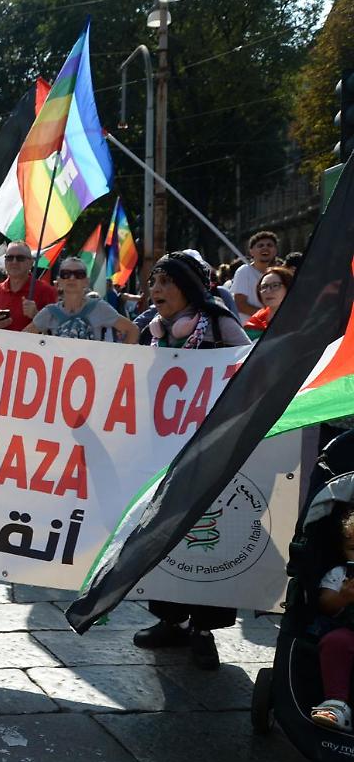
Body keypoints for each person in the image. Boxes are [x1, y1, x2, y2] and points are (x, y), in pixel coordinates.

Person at [132, 251, 251, 669]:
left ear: (187, 286)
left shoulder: (220, 323)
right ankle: (170, 619)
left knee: (208, 535)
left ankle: (204, 629)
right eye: (153, 283)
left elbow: (252, 370)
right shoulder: (153, 330)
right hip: (164, 449)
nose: (156, 290)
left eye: (165, 282)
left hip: (214, 446)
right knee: (162, 533)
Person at [26, 257, 139, 343]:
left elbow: (133, 330)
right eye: (66, 274)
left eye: (79, 274)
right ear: (59, 281)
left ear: (86, 281)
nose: (72, 278)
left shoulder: (99, 307)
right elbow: (22, 339)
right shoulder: (49, 312)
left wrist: (117, 361)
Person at [311, 509, 354, 731]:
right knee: (334, 642)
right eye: (353, 549)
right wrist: (343, 597)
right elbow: (325, 604)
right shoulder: (340, 574)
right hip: (348, 631)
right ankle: (336, 705)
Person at [0, 241, 57, 331]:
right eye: (10, 258)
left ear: (31, 263)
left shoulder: (47, 291)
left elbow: (58, 332)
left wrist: (36, 315)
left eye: (20, 258)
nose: (14, 262)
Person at [230, 230, 279, 320]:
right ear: (251, 252)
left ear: (275, 250)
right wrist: (267, 316)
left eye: (269, 245)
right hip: (251, 330)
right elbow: (240, 304)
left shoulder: (281, 273)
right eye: (260, 246)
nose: (265, 248)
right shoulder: (244, 271)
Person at [243, 265, 294, 340]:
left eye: (275, 285)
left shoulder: (304, 318)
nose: (268, 291)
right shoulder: (254, 325)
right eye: (264, 287)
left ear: (288, 287)